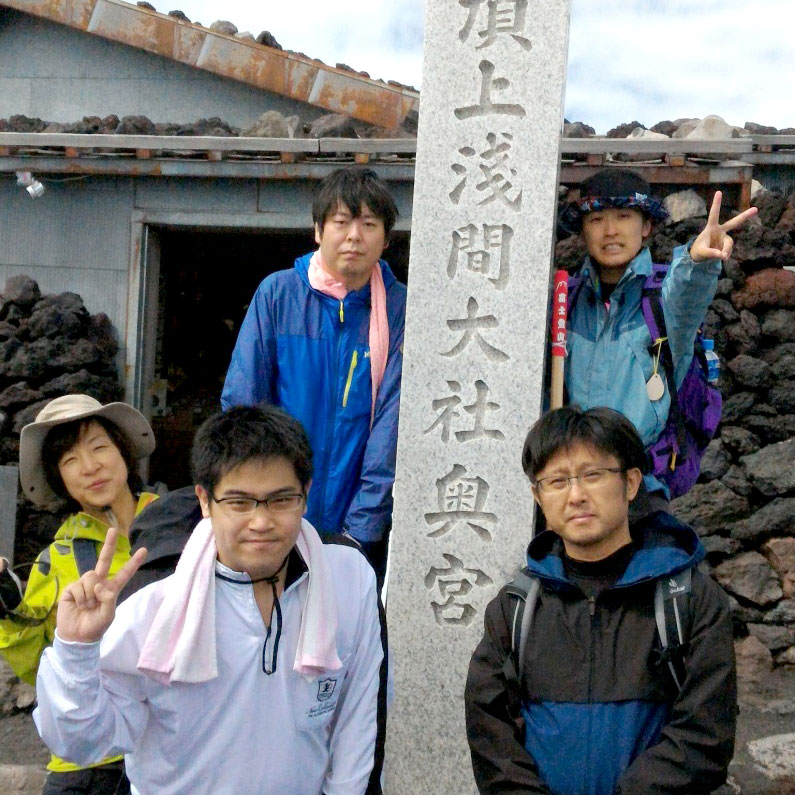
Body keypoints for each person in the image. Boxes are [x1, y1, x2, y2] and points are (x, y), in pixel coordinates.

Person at [34, 405, 388, 795]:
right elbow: (83, 742)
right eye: (239, 502)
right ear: (205, 501)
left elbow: (355, 720)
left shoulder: (348, 579)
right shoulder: (153, 610)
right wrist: (74, 649)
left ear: (305, 494)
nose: (261, 521)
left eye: (281, 499)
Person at [464, 405, 736, 795]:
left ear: (630, 483)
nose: (575, 495)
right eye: (556, 481)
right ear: (538, 497)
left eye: (593, 475)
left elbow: (705, 736)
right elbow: (489, 730)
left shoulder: (687, 601)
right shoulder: (515, 608)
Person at [221, 167, 406, 580]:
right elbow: (244, 407)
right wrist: (264, 506)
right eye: (341, 222)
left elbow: (393, 428)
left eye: (369, 224)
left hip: (358, 528)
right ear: (318, 231)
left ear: (386, 239)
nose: (354, 236)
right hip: (275, 518)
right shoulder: (278, 294)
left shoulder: (399, 309)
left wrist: (360, 532)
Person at [561, 169, 757, 514]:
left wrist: (697, 260)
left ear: (646, 226)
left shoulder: (663, 300)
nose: (610, 231)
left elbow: (688, 293)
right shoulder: (566, 302)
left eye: (624, 217)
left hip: (643, 489)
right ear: (583, 230)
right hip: (571, 490)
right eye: (596, 219)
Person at [0, 394, 157, 795]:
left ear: (123, 452)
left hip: (168, 747)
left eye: (99, 447)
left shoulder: (179, 529)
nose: (90, 467)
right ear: (59, 480)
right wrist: (7, 609)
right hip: (90, 759)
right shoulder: (55, 559)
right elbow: (39, 671)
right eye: (69, 461)